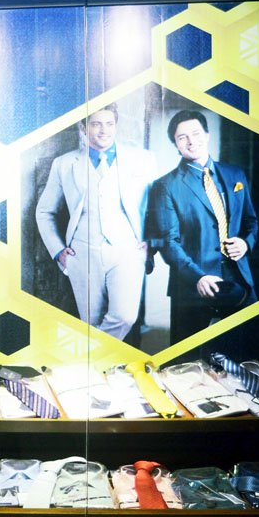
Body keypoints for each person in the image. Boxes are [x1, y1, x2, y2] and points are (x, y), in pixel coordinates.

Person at [34, 103, 158, 341]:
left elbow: (159, 206)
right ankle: (99, 373)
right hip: (82, 253)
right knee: (89, 324)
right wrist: (58, 250)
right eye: (96, 124)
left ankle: (89, 358)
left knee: (125, 317)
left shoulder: (143, 160)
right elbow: (44, 211)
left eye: (110, 124)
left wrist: (152, 243)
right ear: (83, 127)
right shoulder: (64, 164)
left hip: (128, 251)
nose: (104, 130)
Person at [149, 109, 258, 343]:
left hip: (239, 279)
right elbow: (169, 241)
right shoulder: (165, 185)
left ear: (207, 135)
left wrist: (245, 243)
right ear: (175, 145)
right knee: (186, 360)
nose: (191, 141)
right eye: (182, 137)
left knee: (244, 352)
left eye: (196, 133)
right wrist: (198, 277)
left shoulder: (235, 174)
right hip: (193, 286)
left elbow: (251, 221)